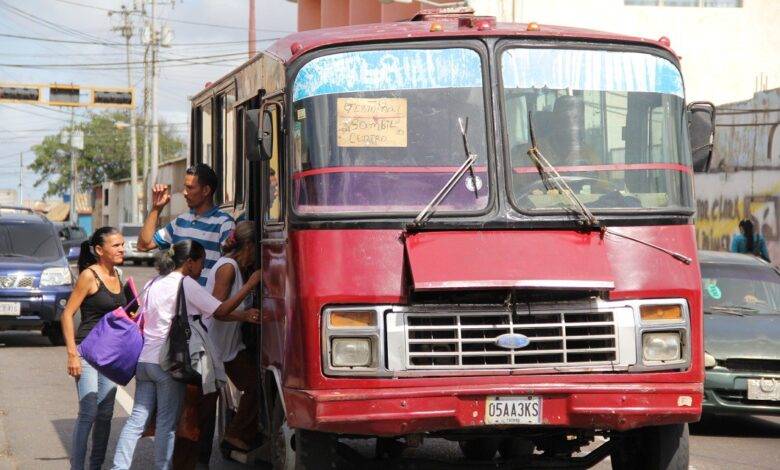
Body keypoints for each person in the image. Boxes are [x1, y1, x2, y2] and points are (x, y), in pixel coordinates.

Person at [111, 240, 262, 470]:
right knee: (167, 425)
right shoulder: (186, 284)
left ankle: (118, 467)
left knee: (136, 422)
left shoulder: (154, 282)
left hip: (144, 362)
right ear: (189, 262)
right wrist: (250, 284)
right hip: (168, 363)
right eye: (201, 263)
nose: (202, 269)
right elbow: (219, 310)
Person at [173, 221, 262, 468]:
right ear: (250, 246)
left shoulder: (235, 267)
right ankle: (218, 445)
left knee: (253, 385)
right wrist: (249, 289)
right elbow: (217, 310)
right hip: (216, 347)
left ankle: (232, 438)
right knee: (204, 407)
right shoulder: (228, 268)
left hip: (230, 345)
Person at [61, 226, 127, 470]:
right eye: (116, 245)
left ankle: (95, 466)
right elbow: (67, 314)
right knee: (88, 411)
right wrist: (72, 354)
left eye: (122, 244)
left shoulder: (119, 274)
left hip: (110, 356)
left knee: (106, 413)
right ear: (100, 250)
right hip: (87, 352)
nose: (122, 248)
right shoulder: (90, 275)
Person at [137, 163, 235, 286]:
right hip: (177, 300)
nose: (184, 192)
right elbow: (143, 245)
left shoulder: (224, 224)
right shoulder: (180, 221)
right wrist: (156, 208)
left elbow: (228, 269)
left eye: (190, 188)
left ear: (206, 190)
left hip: (202, 302)